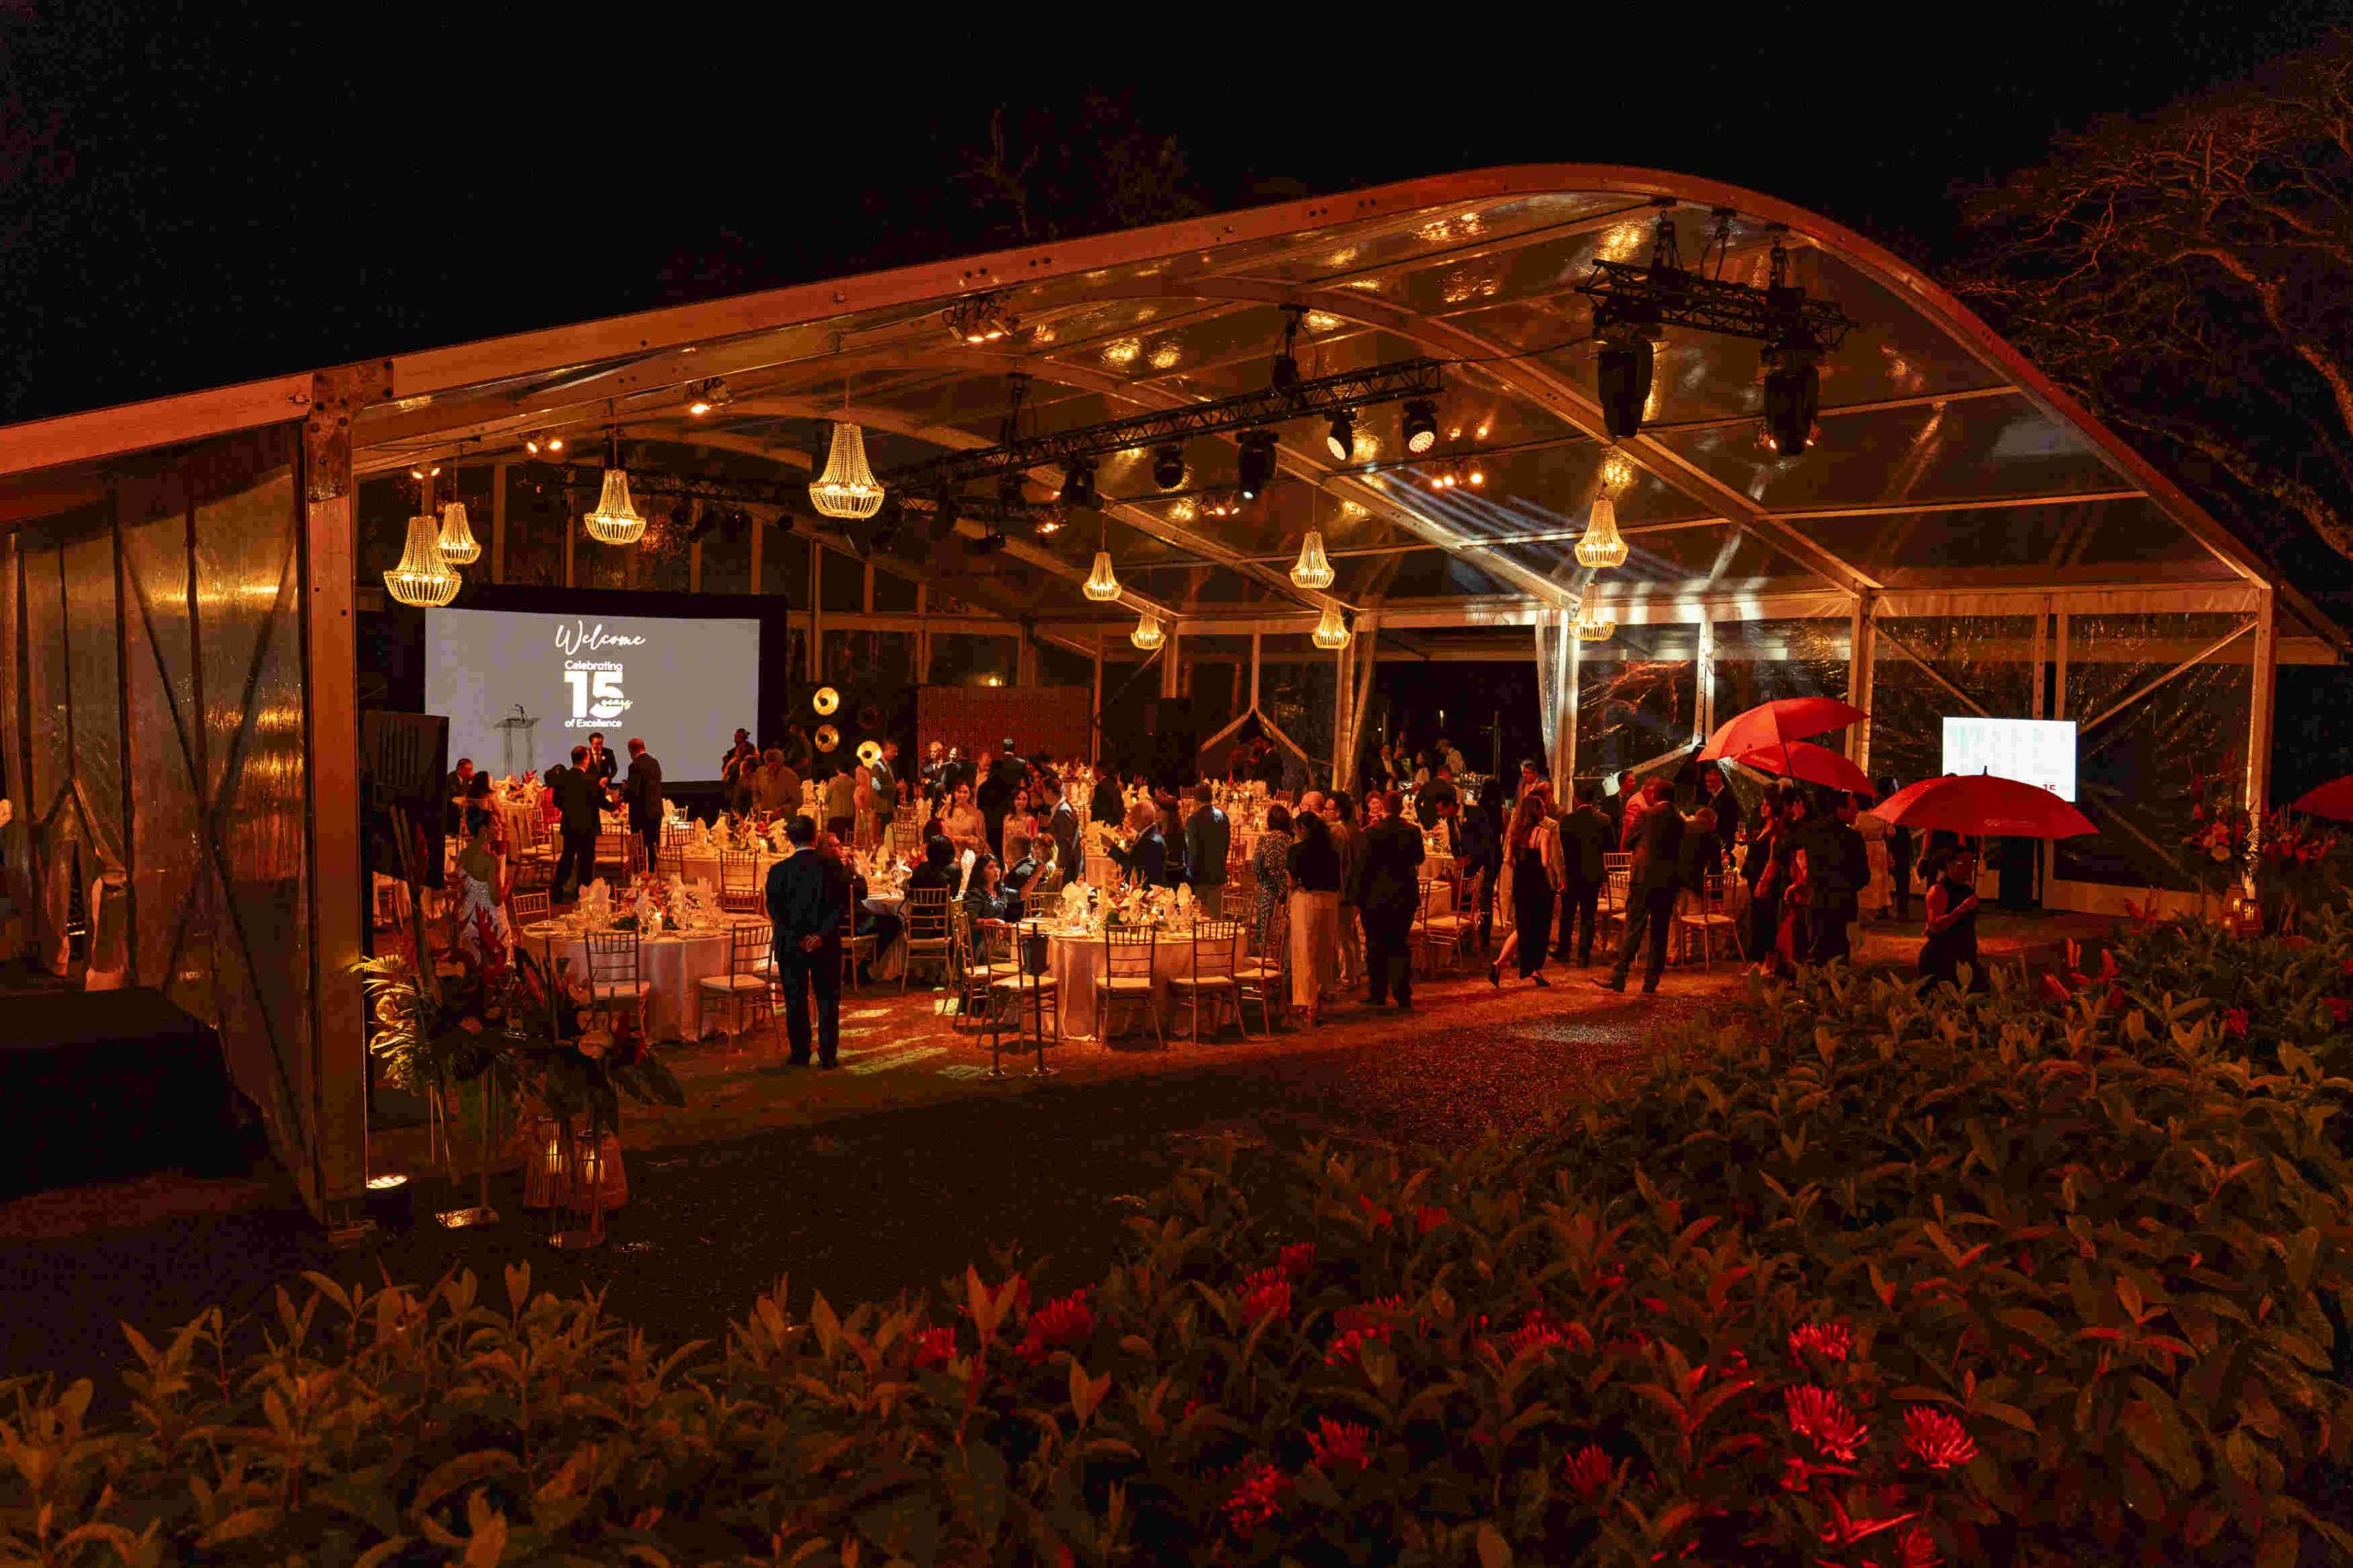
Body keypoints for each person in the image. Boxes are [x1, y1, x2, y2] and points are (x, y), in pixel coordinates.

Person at [766, 814, 848, 1068]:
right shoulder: (833, 867)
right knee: (827, 1000)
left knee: (795, 999)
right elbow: (840, 907)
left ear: (790, 840)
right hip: (826, 943)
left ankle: (800, 1053)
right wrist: (820, 935)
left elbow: (775, 911)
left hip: (792, 945)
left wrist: (799, 937)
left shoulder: (779, 871)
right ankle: (828, 1055)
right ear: (815, 837)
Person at [1599, 775, 1684, 995]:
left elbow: (1628, 841)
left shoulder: (1646, 814)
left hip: (1644, 876)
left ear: (1656, 795)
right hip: (1668, 881)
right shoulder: (1680, 820)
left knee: (1634, 926)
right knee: (1660, 931)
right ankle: (1650, 982)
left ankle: (1620, 975)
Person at [1358, 789, 1425, 1010]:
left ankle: (1377, 993)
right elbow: (1419, 858)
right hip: (1404, 895)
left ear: (1384, 808)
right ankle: (1402, 994)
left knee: (1375, 946)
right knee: (1399, 945)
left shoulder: (1371, 833)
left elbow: (1364, 867)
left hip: (1376, 896)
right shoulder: (1412, 831)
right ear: (1401, 808)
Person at [1492, 790, 1563, 987]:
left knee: (1523, 927)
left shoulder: (1516, 832)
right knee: (1538, 928)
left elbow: (1508, 859)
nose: (1545, 809)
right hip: (1537, 884)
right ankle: (1531, 968)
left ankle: (1505, 965)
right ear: (1536, 811)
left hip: (1520, 881)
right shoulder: (1544, 833)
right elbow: (1544, 862)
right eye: (1541, 806)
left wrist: (1521, 867)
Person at [1287, 808, 1342, 1025]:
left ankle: (1308, 1003)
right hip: (1330, 901)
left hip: (1306, 900)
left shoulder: (1296, 850)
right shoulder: (1331, 851)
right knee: (1323, 951)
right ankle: (1320, 994)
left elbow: (1291, 882)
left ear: (1301, 829)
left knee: (1305, 952)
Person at [1807, 792, 1870, 966]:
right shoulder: (1853, 838)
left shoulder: (1814, 832)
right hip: (1845, 902)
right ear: (1840, 809)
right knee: (1840, 952)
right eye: (1853, 809)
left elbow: (1811, 870)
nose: (1857, 813)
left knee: (1818, 952)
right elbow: (1864, 876)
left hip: (1820, 900)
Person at [1552, 782, 1611, 968]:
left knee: (1568, 914)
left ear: (1576, 798)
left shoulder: (1568, 820)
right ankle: (1583, 955)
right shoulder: (1604, 820)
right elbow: (1611, 846)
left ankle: (1564, 950)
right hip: (1592, 873)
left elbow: (1563, 848)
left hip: (1572, 872)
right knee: (1588, 914)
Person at [450, 794, 511, 962]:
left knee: (474, 967)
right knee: (495, 967)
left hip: (469, 917)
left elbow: (462, 891)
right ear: (484, 830)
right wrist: (508, 885)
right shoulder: (491, 860)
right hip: (489, 920)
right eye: (496, 825)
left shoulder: (463, 855)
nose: (500, 828)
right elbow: (497, 899)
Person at [833, 833, 898, 985]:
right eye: (836, 846)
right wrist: (856, 871)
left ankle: (851, 968)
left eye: (839, 845)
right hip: (853, 923)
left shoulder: (829, 869)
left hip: (837, 922)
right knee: (893, 923)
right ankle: (863, 967)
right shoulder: (839, 871)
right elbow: (863, 893)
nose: (841, 848)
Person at [1917, 845, 1983, 991]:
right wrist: (1962, 909)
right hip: (1942, 957)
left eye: (1970, 863)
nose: (1967, 868)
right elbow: (1935, 926)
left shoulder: (1968, 889)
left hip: (1965, 956)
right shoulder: (1938, 890)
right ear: (1948, 865)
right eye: (1961, 863)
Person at [548, 744, 606, 900]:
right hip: (587, 826)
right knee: (586, 861)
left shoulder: (564, 778)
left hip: (570, 825)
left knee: (567, 858)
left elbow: (556, 801)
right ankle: (582, 893)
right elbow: (599, 801)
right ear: (586, 759)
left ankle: (557, 889)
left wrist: (569, 810)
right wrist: (615, 807)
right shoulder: (590, 779)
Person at [1743, 790, 1790, 973]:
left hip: (1765, 879)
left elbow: (1773, 858)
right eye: (1762, 804)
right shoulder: (1761, 827)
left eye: (1767, 805)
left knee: (1767, 919)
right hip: (1754, 877)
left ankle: (1769, 961)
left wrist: (1764, 880)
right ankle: (1759, 959)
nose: (1763, 807)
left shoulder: (1776, 831)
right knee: (1757, 918)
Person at [1460, 780, 1505, 953]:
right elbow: (1502, 832)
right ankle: (1485, 936)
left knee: (1470, 893)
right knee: (1486, 895)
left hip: (1482, 856)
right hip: (1495, 854)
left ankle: (1468, 934)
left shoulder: (1478, 810)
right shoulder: (1500, 810)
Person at [1326, 791, 1363, 987]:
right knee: (1350, 934)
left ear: (1338, 812)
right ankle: (1355, 971)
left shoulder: (1341, 833)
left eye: (1329, 809)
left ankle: (1348, 977)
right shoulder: (1356, 830)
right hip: (1355, 889)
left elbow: (1343, 865)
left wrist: (1342, 891)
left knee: (1343, 936)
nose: (1326, 813)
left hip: (1345, 890)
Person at [1250, 803, 1293, 957]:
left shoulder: (1264, 839)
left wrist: (1262, 876)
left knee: (1264, 931)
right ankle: (1278, 963)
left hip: (1267, 889)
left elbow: (1255, 865)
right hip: (1286, 890)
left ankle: (1264, 963)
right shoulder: (1290, 840)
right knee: (1280, 931)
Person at [1185, 782, 1231, 917]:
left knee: (1197, 920)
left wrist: (1189, 877)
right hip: (1218, 875)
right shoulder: (1223, 817)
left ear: (1196, 799)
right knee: (1215, 922)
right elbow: (1226, 845)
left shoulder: (1193, 820)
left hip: (1200, 878)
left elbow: (1193, 851)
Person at [620, 738, 664, 869]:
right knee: (653, 846)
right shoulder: (655, 762)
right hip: (656, 811)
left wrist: (625, 788)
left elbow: (634, 791)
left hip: (641, 813)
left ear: (631, 750)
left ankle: (640, 875)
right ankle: (654, 874)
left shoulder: (634, 765)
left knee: (639, 848)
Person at [1880, 777, 1916, 921]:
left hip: (1891, 842)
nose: (1897, 787)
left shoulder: (1880, 805)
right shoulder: (1896, 804)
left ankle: (1884, 909)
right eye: (1895, 785)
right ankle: (1902, 909)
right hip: (1897, 842)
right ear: (1890, 788)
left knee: (1885, 877)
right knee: (1901, 878)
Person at [1040, 773, 1082, 874]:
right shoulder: (1061, 807)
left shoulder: (1063, 812)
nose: (1043, 796)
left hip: (1068, 867)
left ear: (1049, 791)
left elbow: (1065, 843)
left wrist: (1059, 867)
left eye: (1043, 791)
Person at [722, 729, 759, 814]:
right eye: (735, 736)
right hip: (736, 784)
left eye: (738, 737)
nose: (736, 739)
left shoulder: (749, 751)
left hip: (744, 785)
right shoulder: (733, 754)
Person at [754, 748, 800, 815]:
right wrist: (757, 806)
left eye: (775, 765)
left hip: (782, 817)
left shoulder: (790, 776)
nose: (770, 768)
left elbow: (797, 802)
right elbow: (755, 794)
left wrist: (782, 809)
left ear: (781, 763)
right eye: (768, 764)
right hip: (762, 815)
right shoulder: (760, 772)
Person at [445, 756, 477, 837]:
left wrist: (475, 780)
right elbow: (455, 795)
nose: (471, 772)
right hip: (451, 808)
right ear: (460, 769)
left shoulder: (466, 779)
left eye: (471, 769)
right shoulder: (450, 778)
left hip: (462, 807)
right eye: (468, 769)